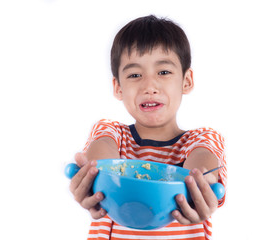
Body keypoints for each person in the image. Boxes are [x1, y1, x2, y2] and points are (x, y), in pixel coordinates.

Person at [69, 15, 227, 240]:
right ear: (118, 87)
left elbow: (203, 161)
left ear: (187, 81)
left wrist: (202, 184)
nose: (149, 86)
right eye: (134, 75)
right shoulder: (112, 132)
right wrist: (92, 176)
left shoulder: (202, 138)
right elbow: (101, 155)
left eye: (163, 72)